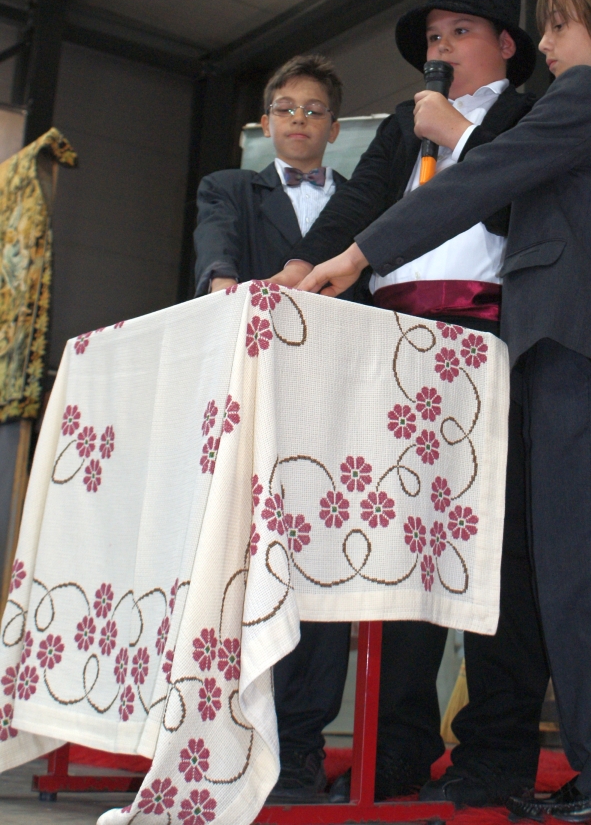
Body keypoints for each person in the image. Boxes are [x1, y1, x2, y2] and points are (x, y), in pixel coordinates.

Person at [296, 0, 591, 822]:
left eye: (559, 25)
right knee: (562, 581)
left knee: (585, 583)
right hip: (553, 356)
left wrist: (359, 255)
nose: (546, 43)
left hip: (578, 353)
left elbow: (480, 180)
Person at [273, 0, 548, 808]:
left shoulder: (531, 113)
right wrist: (298, 268)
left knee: (496, 552)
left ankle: (495, 754)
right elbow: (356, 206)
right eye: (434, 35)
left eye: (460, 32)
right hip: (391, 347)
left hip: (489, 343)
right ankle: (394, 747)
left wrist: (460, 132)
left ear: (505, 44)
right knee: (397, 545)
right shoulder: (405, 123)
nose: (442, 47)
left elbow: (520, 211)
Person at [193, 54, 352, 802]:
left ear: (335, 127)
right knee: (239, 569)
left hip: (339, 408)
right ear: (265, 122)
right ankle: (225, 737)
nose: (298, 120)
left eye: (314, 110)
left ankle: (303, 748)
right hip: (256, 401)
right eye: (285, 108)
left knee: (322, 573)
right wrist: (226, 283)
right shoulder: (230, 187)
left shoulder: (362, 203)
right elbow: (216, 244)